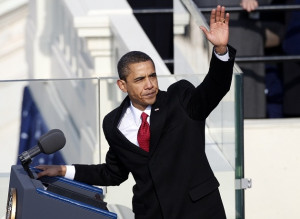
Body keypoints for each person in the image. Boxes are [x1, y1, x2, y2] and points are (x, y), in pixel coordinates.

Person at [36, 5, 236, 219]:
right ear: (122, 85)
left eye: (152, 76)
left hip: (198, 211)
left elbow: (214, 88)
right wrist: (64, 171)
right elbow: (113, 172)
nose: (149, 84)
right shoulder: (113, 123)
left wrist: (221, 52)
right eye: (140, 79)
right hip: (150, 213)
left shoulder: (180, 99)